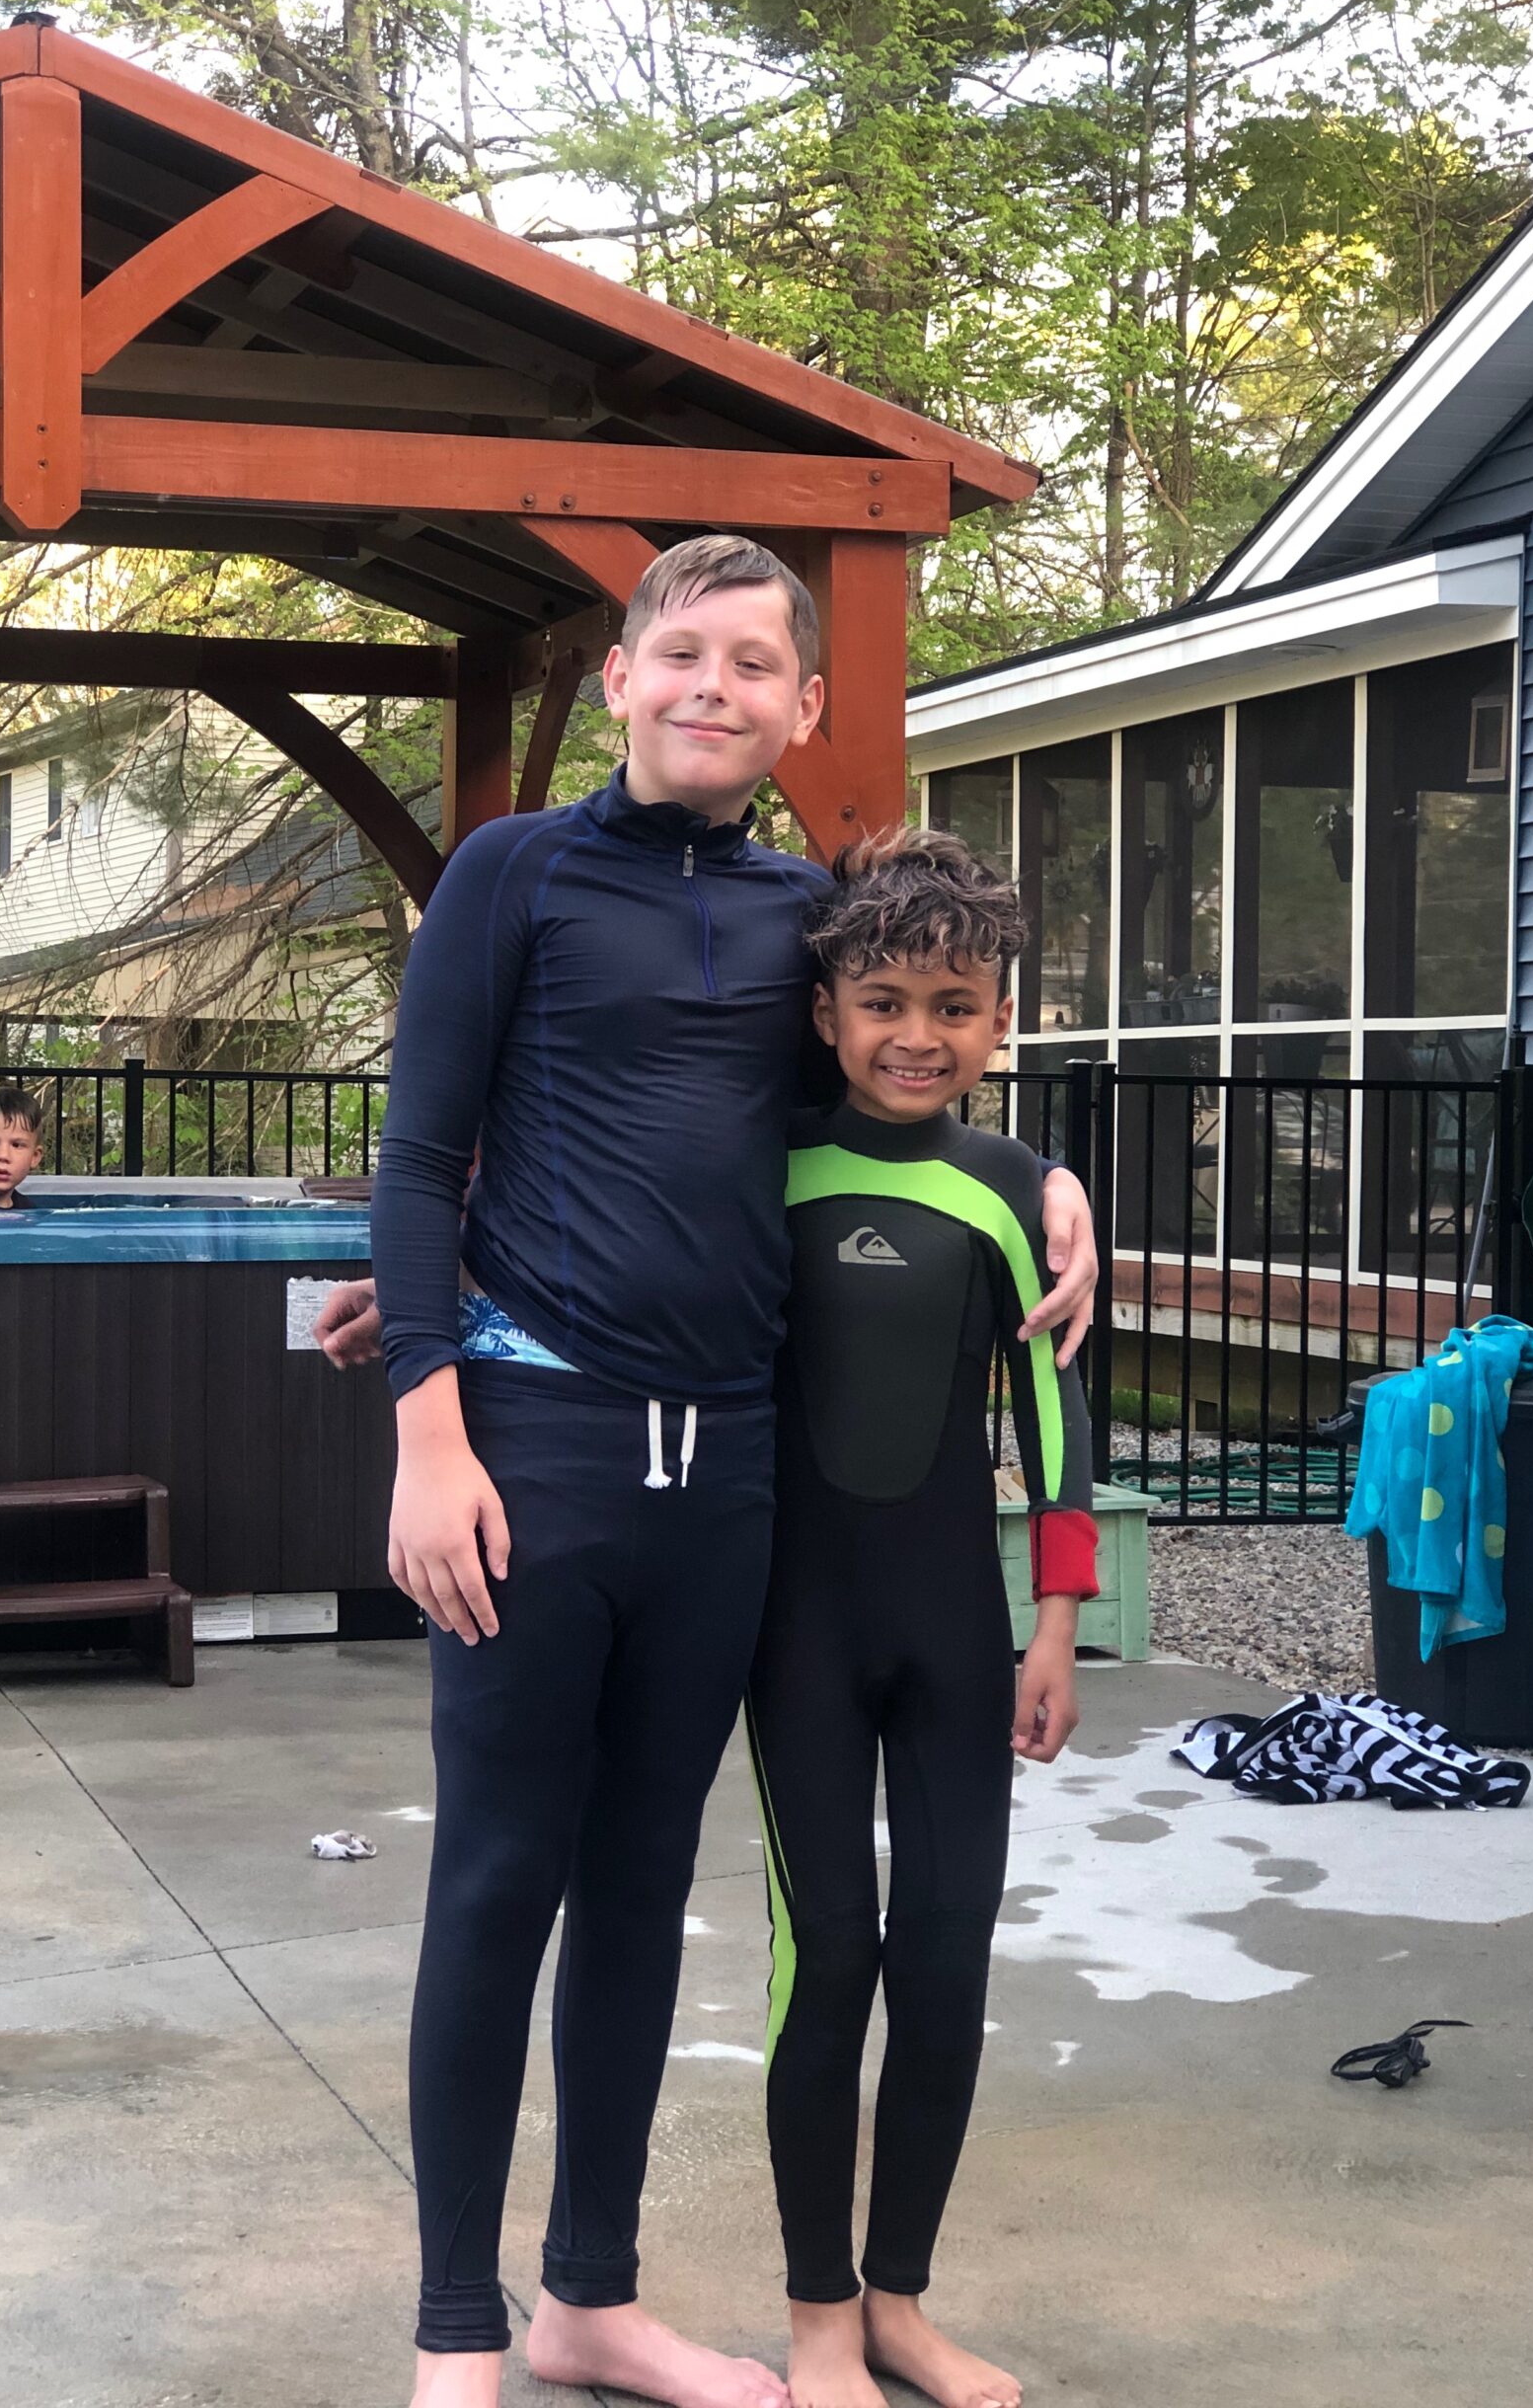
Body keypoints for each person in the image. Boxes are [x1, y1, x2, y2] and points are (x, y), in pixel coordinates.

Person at [360, 531, 1097, 2408]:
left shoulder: (801, 918)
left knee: (637, 1888)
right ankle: (456, 2333)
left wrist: (1046, 1176)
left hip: (730, 1479)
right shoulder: (513, 873)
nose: (715, 687)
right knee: (499, 1880)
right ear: (621, 678)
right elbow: (421, 1152)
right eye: (682, 653)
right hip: (537, 1454)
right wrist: (430, 1422)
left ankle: (590, 2300)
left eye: (756, 664)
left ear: (805, 706)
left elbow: (878, 1097)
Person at [747, 830, 1096, 2408]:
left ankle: (898, 2303)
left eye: (954, 1006)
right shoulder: (765, 1157)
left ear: (999, 1025)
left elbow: (1057, 1415)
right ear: (825, 1012)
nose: (916, 1034)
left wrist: (1055, 1623)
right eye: (883, 1000)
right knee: (827, 1955)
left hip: (958, 1631)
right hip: (797, 1635)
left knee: (946, 1960)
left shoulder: (1014, 1189)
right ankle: (817, 2313)